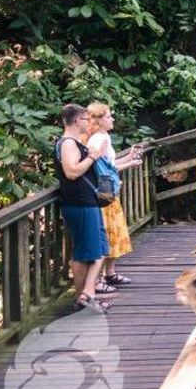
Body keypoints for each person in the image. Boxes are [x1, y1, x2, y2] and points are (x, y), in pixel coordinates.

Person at [54, 103, 111, 312]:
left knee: (101, 248)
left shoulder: (76, 142)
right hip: (79, 202)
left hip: (88, 201)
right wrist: (93, 156)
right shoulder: (68, 143)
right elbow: (71, 172)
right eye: (86, 119)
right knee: (83, 253)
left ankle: (88, 294)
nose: (89, 123)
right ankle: (83, 299)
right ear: (78, 120)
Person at [86, 102, 143, 293]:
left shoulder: (104, 137)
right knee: (109, 231)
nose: (113, 119)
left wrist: (129, 159)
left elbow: (109, 163)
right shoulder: (99, 140)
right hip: (104, 191)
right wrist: (127, 166)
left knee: (115, 230)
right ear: (100, 120)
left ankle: (110, 273)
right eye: (109, 116)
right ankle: (99, 279)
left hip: (108, 189)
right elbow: (100, 169)